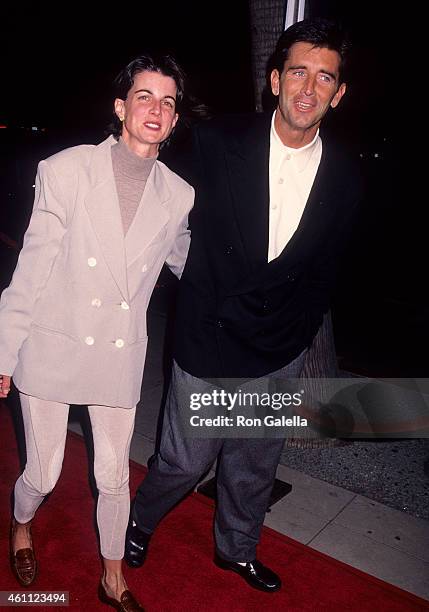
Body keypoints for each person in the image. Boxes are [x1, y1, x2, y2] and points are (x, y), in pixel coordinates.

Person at [125, 18, 363, 593]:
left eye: (324, 78)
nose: (310, 89)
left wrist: (301, 329)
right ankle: (137, 521)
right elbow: (159, 214)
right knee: (186, 461)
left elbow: (326, 267)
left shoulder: (349, 176)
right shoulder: (217, 142)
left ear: (339, 93)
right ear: (276, 80)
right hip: (208, 336)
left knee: (254, 464)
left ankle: (237, 548)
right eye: (299, 73)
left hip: (278, 346)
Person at [0, 53, 194, 611]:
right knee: (44, 470)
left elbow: (188, 265)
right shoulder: (66, 170)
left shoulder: (179, 195)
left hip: (115, 355)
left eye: (168, 101)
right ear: (120, 106)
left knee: (113, 476)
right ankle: (20, 524)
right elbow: (31, 266)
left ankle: (112, 578)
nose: (155, 109)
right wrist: (5, 350)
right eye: (144, 96)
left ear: (175, 119)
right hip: (54, 344)